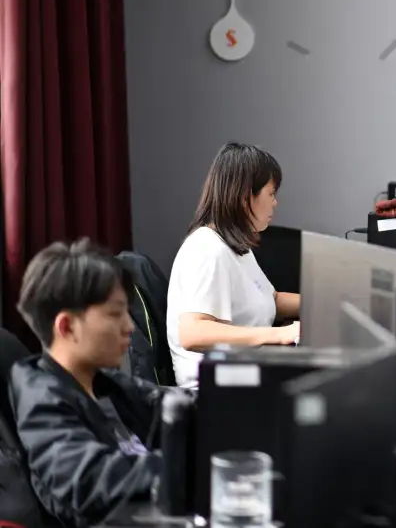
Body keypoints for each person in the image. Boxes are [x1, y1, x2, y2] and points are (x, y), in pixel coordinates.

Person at [10, 239, 164, 528]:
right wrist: (180, 470)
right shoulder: (41, 405)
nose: (130, 327)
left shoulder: (105, 384)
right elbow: (88, 478)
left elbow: (166, 404)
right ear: (67, 326)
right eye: (115, 314)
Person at [167, 142, 300, 388]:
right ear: (246, 196)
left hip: (242, 375)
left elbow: (271, 299)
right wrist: (279, 334)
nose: (275, 202)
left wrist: (327, 304)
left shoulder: (234, 245)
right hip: (214, 391)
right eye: (271, 193)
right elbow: (192, 332)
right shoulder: (207, 249)